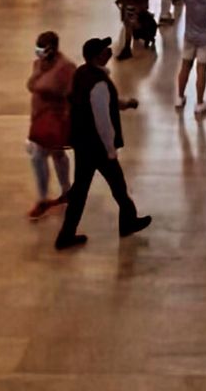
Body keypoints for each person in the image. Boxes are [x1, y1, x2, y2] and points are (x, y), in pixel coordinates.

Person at [55, 37, 150, 250]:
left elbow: (91, 102)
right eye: (105, 49)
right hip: (97, 146)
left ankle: (66, 234)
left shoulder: (82, 73)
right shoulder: (99, 82)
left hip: (82, 142)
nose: (109, 51)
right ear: (98, 56)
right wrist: (110, 150)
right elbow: (102, 120)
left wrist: (124, 103)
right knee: (118, 185)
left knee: (81, 190)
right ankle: (128, 222)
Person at [26, 31, 76, 219]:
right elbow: (31, 85)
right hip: (40, 117)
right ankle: (67, 190)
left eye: (41, 49)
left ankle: (42, 198)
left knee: (38, 156)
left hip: (56, 118)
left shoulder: (66, 67)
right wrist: (39, 72)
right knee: (57, 153)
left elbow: (71, 94)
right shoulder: (38, 64)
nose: (38, 52)